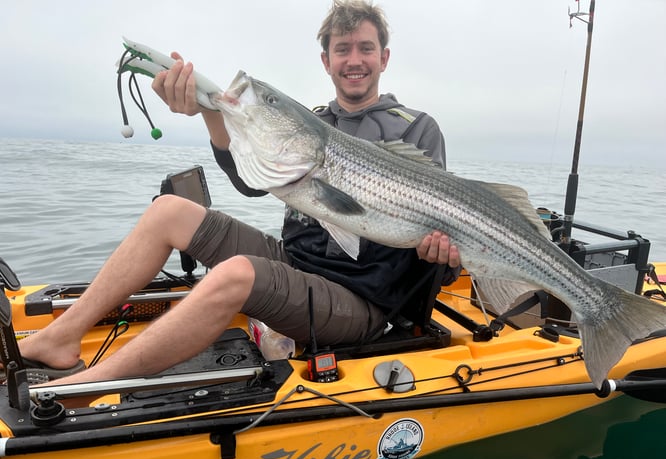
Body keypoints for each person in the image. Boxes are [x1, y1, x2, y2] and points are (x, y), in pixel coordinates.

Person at [7, 0, 460, 385]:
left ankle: (83, 387)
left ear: (384, 57)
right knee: (168, 210)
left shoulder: (416, 129)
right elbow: (250, 181)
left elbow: (433, 227)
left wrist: (442, 249)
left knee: (237, 273)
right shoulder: (313, 122)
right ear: (327, 61)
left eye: (365, 48)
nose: (354, 60)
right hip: (297, 266)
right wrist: (209, 110)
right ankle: (61, 338)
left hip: (358, 302)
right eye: (342, 50)